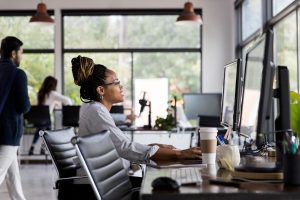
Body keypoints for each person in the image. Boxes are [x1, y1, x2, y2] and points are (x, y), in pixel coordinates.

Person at [71, 56, 201, 170]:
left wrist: (152, 147)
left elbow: (118, 147)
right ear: (101, 90)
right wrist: (180, 154)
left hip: (103, 179)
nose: (121, 87)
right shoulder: (97, 111)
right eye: (116, 82)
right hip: (92, 188)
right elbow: (124, 147)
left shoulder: (94, 108)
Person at [0, 36, 29, 200]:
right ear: (13, 53)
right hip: (9, 134)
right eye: (21, 52)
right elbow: (23, 107)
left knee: (13, 179)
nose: (21, 56)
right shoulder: (18, 74)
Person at [28, 76, 72, 155]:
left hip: (38, 119)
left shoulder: (40, 93)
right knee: (48, 132)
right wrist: (68, 107)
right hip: (47, 120)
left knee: (41, 130)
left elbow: (42, 105)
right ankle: (42, 148)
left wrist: (55, 104)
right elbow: (67, 100)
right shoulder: (52, 94)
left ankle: (32, 147)